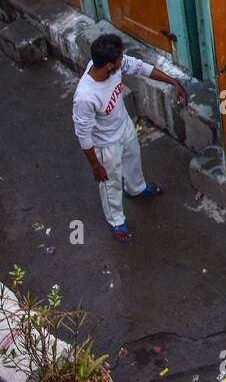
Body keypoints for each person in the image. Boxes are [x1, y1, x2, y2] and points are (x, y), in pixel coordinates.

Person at [72, 34, 187, 242]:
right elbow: (83, 135)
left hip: (124, 126)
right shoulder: (85, 97)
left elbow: (139, 67)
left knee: (133, 159)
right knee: (110, 183)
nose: (122, 60)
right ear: (108, 65)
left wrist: (173, 82)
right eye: (119, 59)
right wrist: (95, 165)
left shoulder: (111, 65)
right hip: (105, 145)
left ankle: (136, 188)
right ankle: (116, 221)